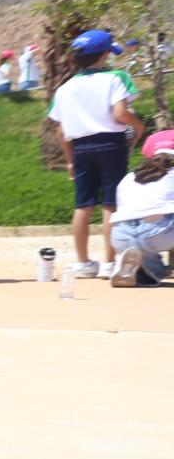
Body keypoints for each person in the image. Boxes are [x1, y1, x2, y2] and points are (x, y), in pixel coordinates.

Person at [50, 29, 145, 279]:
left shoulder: (64, 88)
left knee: (83, 205)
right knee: (111, 204)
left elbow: (61, 131)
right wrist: (138, 126)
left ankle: (83, 263)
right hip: (110, 144)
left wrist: (70, 161)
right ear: (105, 54)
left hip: (80, 148)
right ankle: (110, 262)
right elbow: (120, 114)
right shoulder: (116, 77)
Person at [111, 130, 174, 288]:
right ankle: (148, 269)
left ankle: (136, 269)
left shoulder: (130, 177)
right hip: (155, 234)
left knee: (150, 260)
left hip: (121, 236)